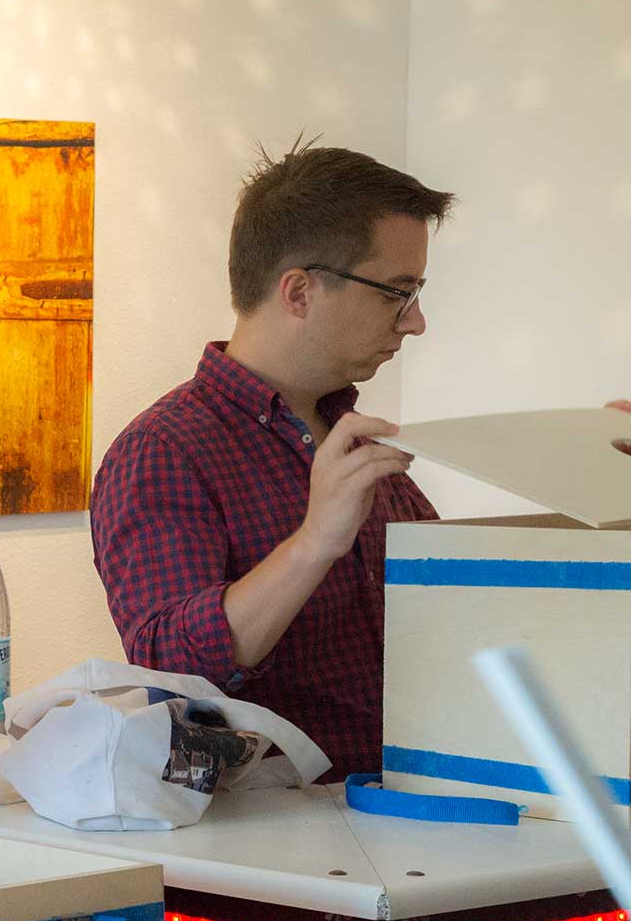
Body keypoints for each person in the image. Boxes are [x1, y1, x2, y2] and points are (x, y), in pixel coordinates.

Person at [90, 142, 455, 781]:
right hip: (280, 854)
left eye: (416, 291)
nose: (416, 321)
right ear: (298, 291)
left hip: (414, 811)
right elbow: (169, 673)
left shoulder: (356, 442)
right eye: (397, 292)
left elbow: (458, 618)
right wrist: (314, 544)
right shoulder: (164, 452)